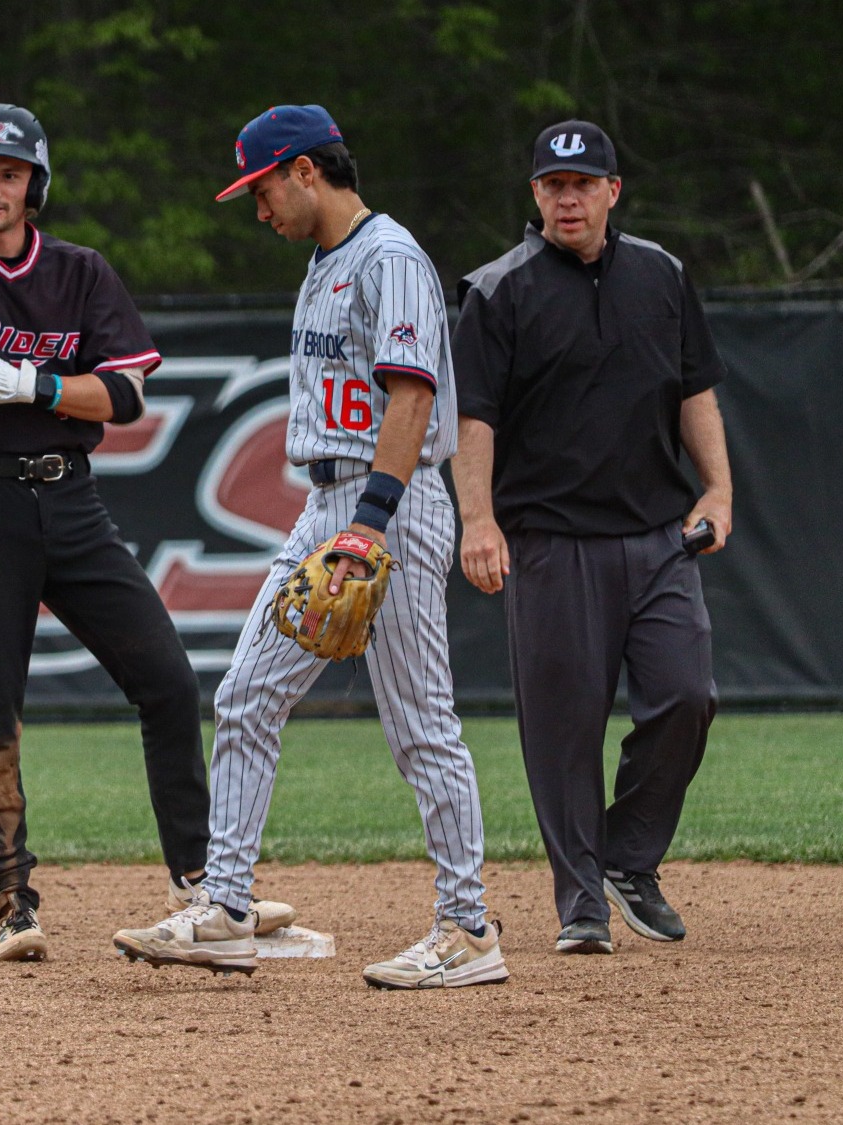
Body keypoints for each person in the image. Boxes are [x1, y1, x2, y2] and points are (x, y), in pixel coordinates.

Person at [0, 95, 290, 963]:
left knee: (167, 680)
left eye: (8, 173)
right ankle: (12, 899)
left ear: (33, 183)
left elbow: (124, 396)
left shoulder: (79, 272)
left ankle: (200, 884)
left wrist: (36, 387)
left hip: (69, 498)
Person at [112, 105, 504, 989]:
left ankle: (469, 924)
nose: (258, 210)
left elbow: (410, 399)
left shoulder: (389, 257)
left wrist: (369, 522)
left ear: (302, 171)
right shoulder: (327, 265)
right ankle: (226, 908)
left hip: (385, 506)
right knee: (246, 695)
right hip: (331, 503)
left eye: (260, 189)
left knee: (419, 724)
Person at [450, 120, 733, 954]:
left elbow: (696, 391)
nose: (566, 198)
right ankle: (582, 904)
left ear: (613, 190)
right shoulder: (499, 290)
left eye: (582, 184)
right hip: (549, 541)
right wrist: (479, 519)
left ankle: (628, 855)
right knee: (564, 730)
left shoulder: (664, 276)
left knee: (687, 694)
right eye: (551, 185)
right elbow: (475, 419)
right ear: (535, 194)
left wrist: (717, 486)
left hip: (657, 536)